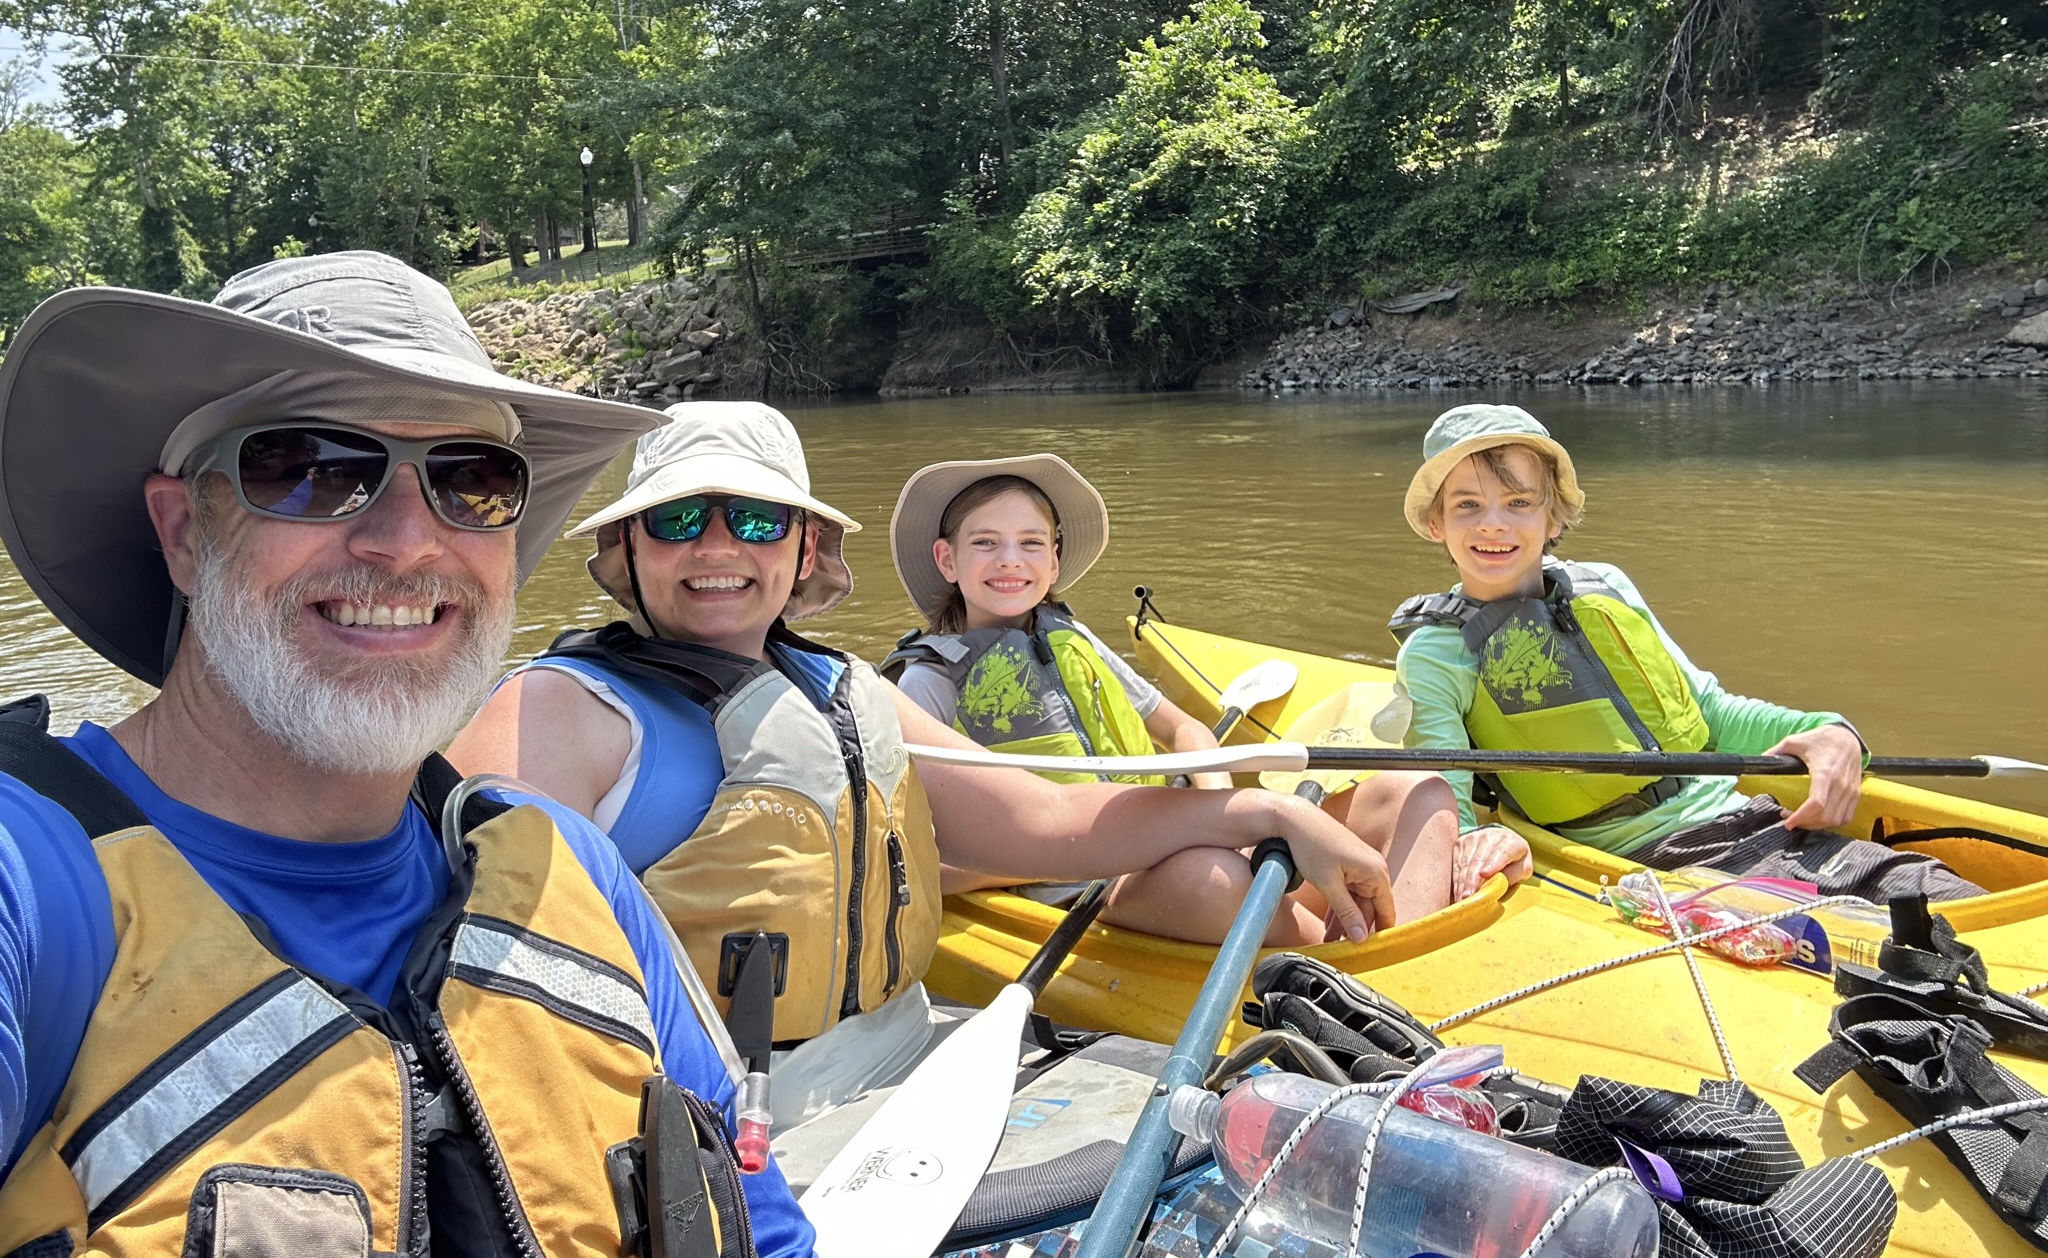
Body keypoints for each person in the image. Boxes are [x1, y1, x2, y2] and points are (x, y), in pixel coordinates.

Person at [0, 253, 816, 1257]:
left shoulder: (573, 869)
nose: (404, 542)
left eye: (471, 481)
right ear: (182, 534)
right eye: (310, 469)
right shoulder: (26, 884)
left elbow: (767, 1236)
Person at [448, 403, 1409, 1070]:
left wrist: (1261, 813)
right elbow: (462, 995)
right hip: (722, 1119)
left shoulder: (850, 690)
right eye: (677, 519)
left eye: (757, 519)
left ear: (805, 548)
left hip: (914, 1056)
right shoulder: (558, 711)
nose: (718, 547)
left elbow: (1048, 821)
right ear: (627, 547)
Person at [1389, 402, 1982, 901]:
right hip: (1653, 866)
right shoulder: (1437, 654)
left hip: (1756, 819)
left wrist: (1828, 730)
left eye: (1519, 502)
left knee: (1944, 899)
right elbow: (1445, 802)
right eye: (1467, 505)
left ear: (1553, 517)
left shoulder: (1607, 586)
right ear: (1437, 523)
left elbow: (1708, 710)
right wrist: (1480, 841)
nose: (1493, 524)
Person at [883, 455, 1482, 930]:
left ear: (1055, 559)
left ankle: (1395, 954)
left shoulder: (1072, 639)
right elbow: (919, 861)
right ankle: (1339, 963)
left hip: (1175, 836)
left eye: (1031, 542)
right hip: (1085, 886)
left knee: (1418, 791)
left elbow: (1185, 729)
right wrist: (1064, 855)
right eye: (985, 543)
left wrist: (1218, 812)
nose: (1011, 560)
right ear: (947, 560)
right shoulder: (928, 684)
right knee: (1213, 879)